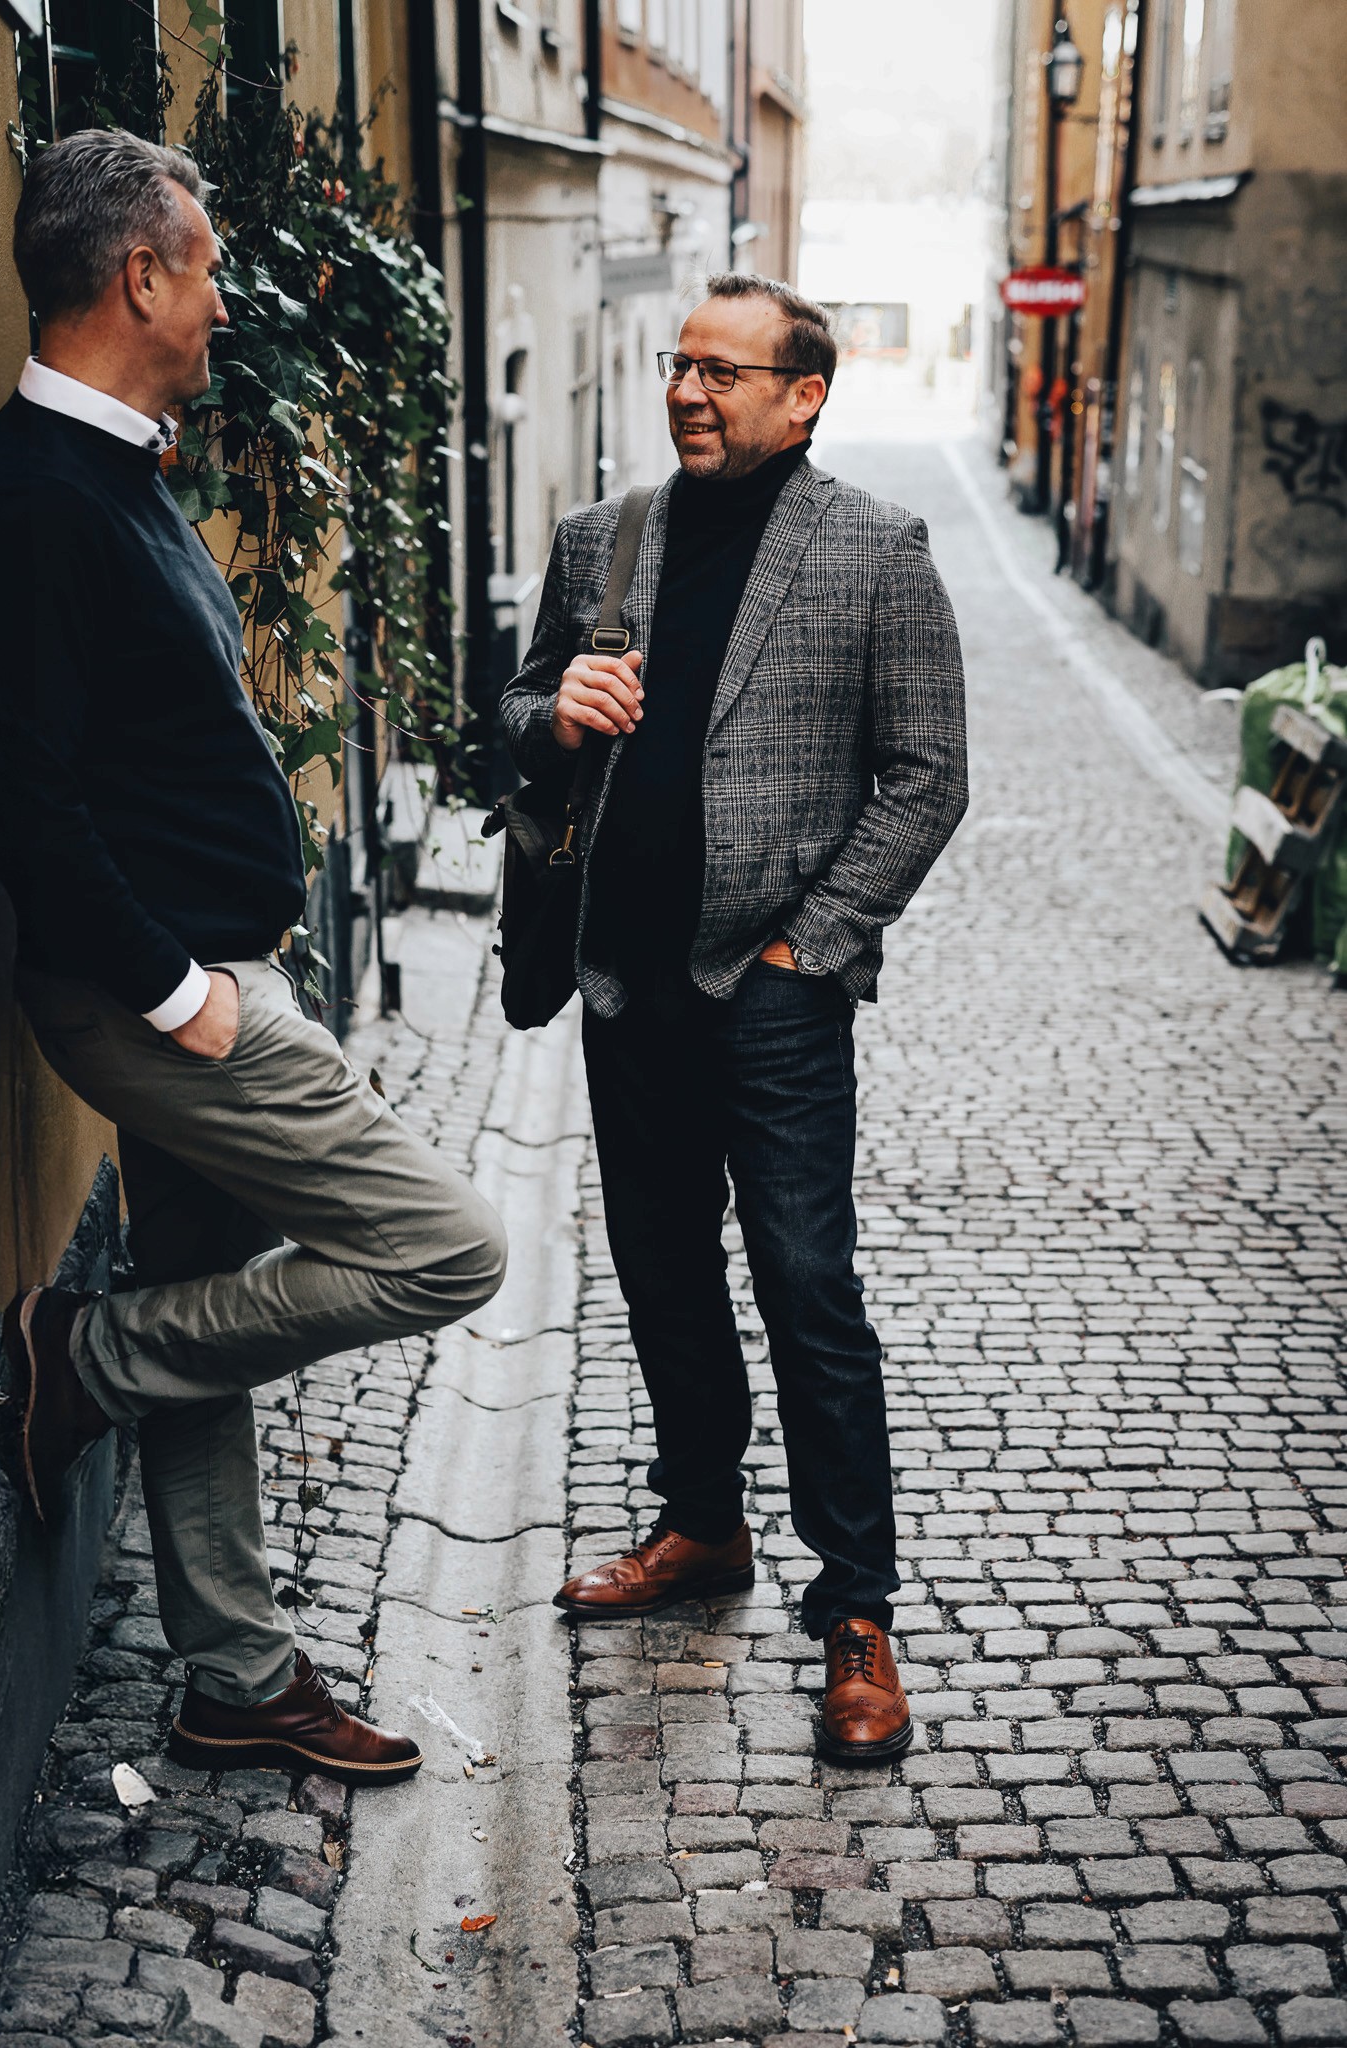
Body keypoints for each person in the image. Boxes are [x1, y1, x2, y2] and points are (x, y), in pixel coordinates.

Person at [0, 128, 507, 1785]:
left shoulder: (116, 470)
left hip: (200, 978)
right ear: (138, 274)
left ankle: (233, 1674)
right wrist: (176, 995)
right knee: (451, 1248)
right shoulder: (35, 500)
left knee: (198, 1288)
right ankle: (81, 1361)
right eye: (205, 265)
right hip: (165, 1000)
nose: (223, 297)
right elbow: (23, 792)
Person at [501, 274, 968, 1761]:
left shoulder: (874, 549)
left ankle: (857, 1611)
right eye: (677, 363)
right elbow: (505, 726)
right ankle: (702, 1525)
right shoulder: (602, 542)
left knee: (805, 1289)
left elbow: (926, 774)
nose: (688, 390)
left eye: (722, 369)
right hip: (624, 986)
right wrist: (551, 710)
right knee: (658, 1273)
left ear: (802, 396)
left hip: (769, 997)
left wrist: (808, 947)